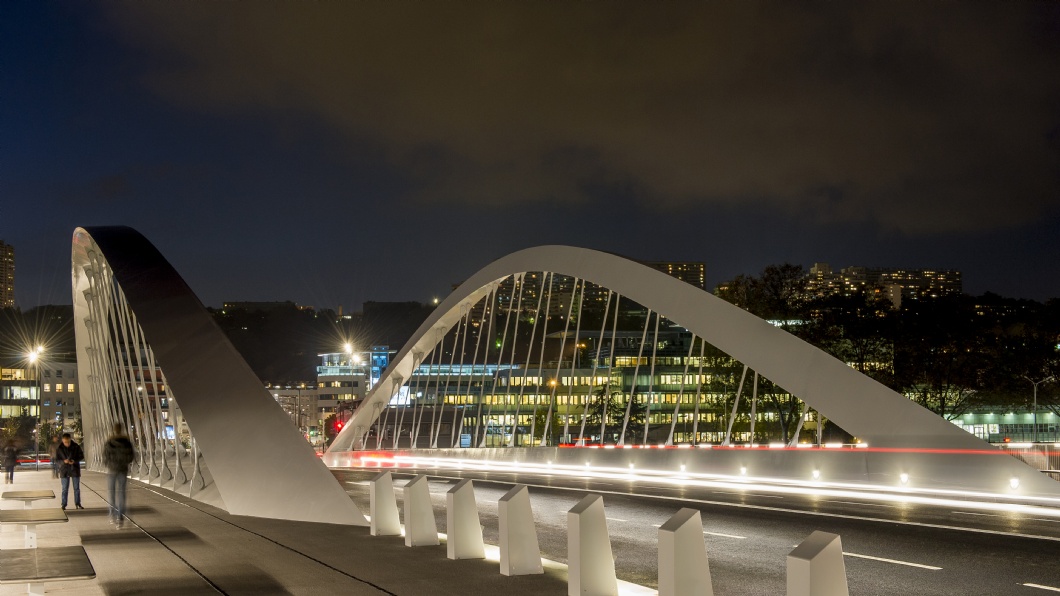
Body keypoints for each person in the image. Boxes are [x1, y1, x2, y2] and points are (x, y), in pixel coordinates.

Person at [102, 423, 135, 527]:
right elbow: (131, 456)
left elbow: (105, 456)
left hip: (112, 470)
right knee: (122, 493)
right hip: (122, 469)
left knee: (111, 493)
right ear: (122, 430)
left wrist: (108, 464)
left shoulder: (109, 442)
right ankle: (120, 517)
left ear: (114, 430)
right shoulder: (127, 442)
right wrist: (125, 462)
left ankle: (112, 515)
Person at [55, 433, 84, 510]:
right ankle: (64, 504)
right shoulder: (59, 448)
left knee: (76, 488)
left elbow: (81, 456)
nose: (67, 444)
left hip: (74, 468)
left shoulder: (76, 446)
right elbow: (56, 460)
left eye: (68, 442)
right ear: (62, 441)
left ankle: (78, 503)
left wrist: (74, 461)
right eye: (65, 442)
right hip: (64, 469)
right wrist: (63, 461)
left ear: (70, 440)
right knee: (65, 488)